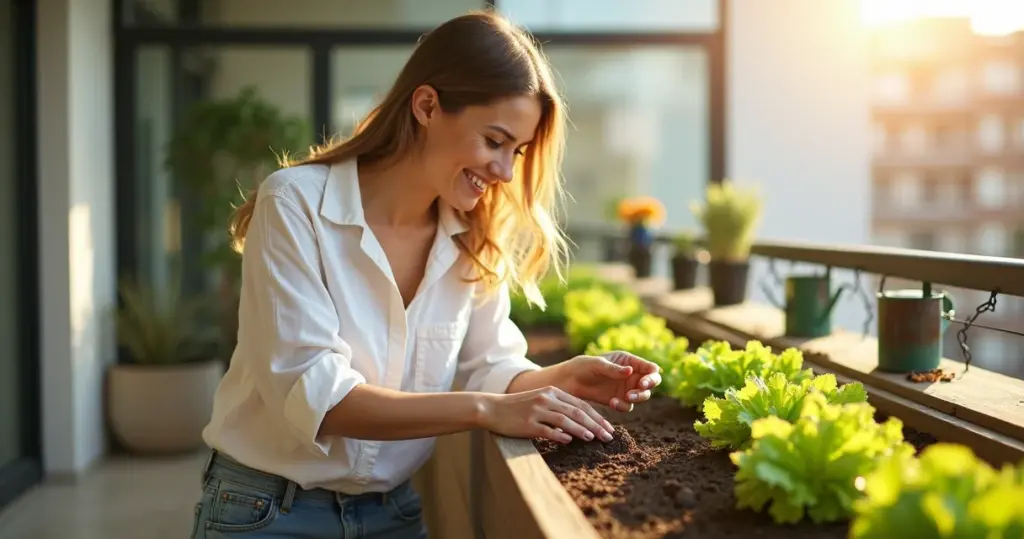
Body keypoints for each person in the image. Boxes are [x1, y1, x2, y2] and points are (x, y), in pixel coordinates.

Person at [189, 10, 662, 539]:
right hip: (268, 512)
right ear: (427, 106)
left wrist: (560, 377)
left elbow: (490, 364)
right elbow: (316, 394)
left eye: (517, 151)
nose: (505, 171)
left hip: (394, 514)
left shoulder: (470, 238)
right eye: (494, 140)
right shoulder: (296, 204)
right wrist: (486, 410)